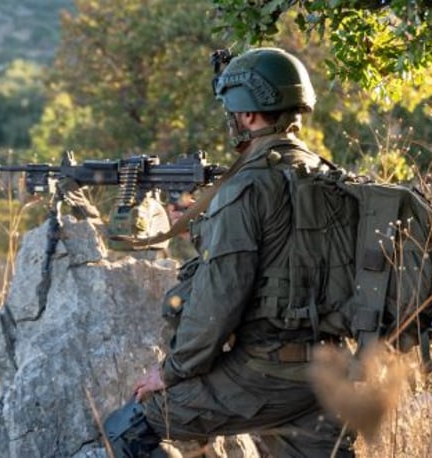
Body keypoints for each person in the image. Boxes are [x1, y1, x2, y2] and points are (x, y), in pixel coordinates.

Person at [101, 47, 354, 457]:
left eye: (235, 111)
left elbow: (218, 300)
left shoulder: (247, 188)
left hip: (266, 375)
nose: (233, 120)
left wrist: (170, 371)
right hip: (330, 373)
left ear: (251, 114)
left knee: (133, 427)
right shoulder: (327, 175)